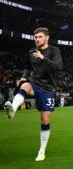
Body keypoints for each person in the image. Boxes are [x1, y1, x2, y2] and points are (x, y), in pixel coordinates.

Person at [4, 27, 63, 162]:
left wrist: (44, 58)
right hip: (34, 82)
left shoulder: (54, 50)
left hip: (48, 88)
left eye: (40, 37)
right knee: (25, 86)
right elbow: (28, 67)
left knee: (45, 120)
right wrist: (24, 76)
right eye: (35, 37)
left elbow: (59, 66)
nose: (37, 39)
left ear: (47, 38)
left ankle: (42, 151)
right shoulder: (31, 52)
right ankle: (13, 109)